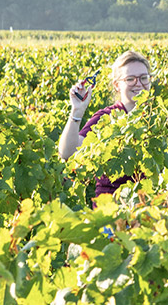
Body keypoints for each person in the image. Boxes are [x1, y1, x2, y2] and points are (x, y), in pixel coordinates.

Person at [58, 50, 152, 197]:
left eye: (143, 78)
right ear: (116, 85)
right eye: (130, 79)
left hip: (151, 210)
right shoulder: (106, 118)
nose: (138, 84)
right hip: (111, 211)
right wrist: (76, 111)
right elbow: (67, 152)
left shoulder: (157, 118)